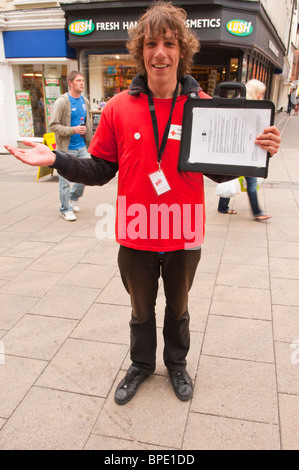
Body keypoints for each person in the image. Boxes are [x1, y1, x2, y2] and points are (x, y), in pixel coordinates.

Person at [4, 1, 281, 405]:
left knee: (179, 309)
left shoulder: (202, 106)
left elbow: (220, 173)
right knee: (140, 311)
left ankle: (178, 364)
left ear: (181, 51)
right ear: (141, 51)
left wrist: (261, 151)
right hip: (137, 232)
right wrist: (57, 159)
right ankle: (141, 364)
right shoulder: (117, 108)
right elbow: (100, 170)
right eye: (152, 43)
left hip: (184, 233)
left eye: (169, 43)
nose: (160, 52)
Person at [217, 79, 272, 221]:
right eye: (260, 94)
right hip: (240, 152)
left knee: (230, 178)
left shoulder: (245, 106)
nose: (261, 97)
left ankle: (223, 207)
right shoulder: (245, 107)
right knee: (250, 182)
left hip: (242, 152)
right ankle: (257, 212)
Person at [49, 70, 92, 221]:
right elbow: (53, 125)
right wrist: (72, 130)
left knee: (87, 174)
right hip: (66, 149)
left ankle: (74, 197)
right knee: (65, 181)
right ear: (70, 82)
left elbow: (87, 123)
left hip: (81, 147)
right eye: (79, 80)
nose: (82, 83)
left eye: (83, 81)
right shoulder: (62, 102)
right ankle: (65, 208)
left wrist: (89, 142)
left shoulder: (84, 101)